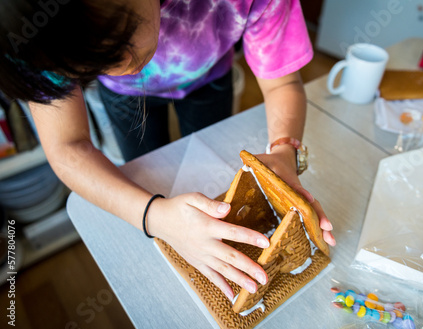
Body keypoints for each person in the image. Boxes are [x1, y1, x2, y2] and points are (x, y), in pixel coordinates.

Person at [0, 0, 335, 300]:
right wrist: (155, 217)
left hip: (209, 79)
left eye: (120, 40)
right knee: (145, 179)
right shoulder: (39, 32)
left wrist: (284, 148)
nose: (126, 68)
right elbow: (67, 147)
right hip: (126, 99)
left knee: (211, 167)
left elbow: (284, 82)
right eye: (91, 68)